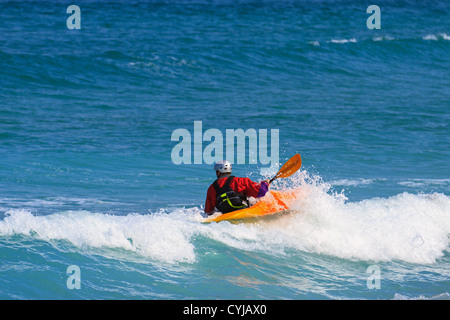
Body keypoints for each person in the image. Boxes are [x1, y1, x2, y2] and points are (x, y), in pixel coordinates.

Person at [204, 160, 270, 215]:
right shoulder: (240, 181)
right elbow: (261, 191)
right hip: (243, 212)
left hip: (226, 216)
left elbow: (208, 211)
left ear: (218, 172)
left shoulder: (211, 188)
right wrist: (265, 183)